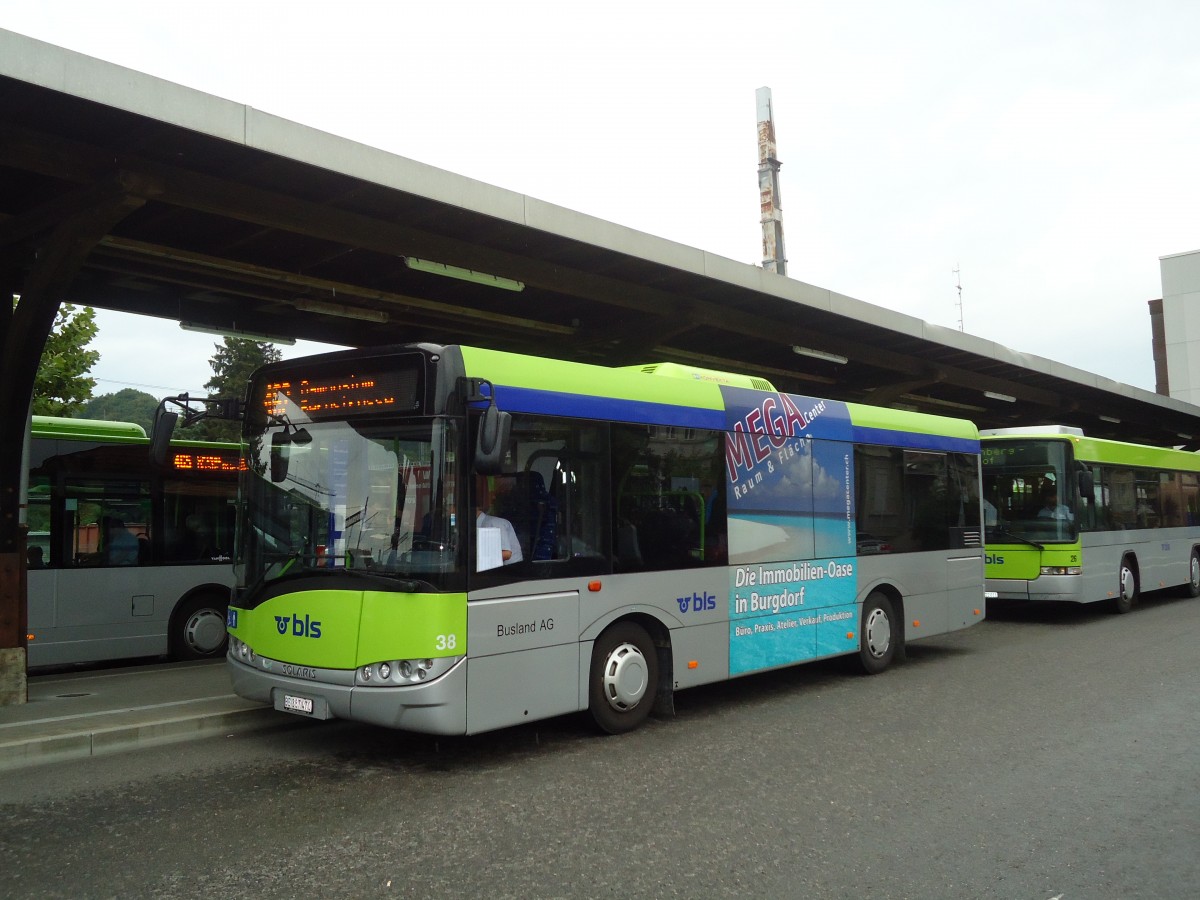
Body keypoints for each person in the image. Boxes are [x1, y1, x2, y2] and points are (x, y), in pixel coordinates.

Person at [476, 476, 522, 567]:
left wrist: (476, 558)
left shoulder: (492, 523)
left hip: (511, 573)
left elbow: (506, 554)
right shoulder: (481, 525)